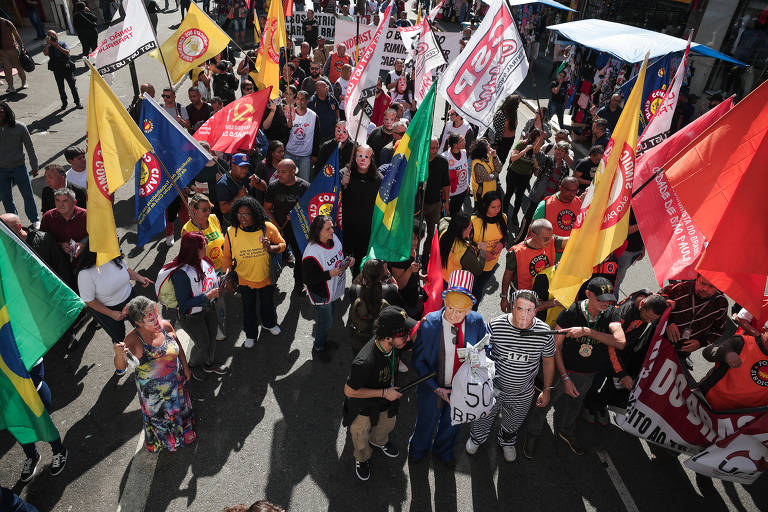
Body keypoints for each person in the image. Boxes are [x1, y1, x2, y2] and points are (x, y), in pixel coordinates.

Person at [524, 277, 625, 458]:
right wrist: (564, 377)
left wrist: (587, 331)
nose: (605, 303)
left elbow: (620, 342)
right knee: (545, 403)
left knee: (575, 404)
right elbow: (555, 347)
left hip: (587, 375)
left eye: (608, 299)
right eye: (600, 299)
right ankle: (533, 433)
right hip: (561, 372)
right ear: (588, 294)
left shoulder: (611, 313)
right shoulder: (572, 311)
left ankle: (566, 431)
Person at [409, 270, 488, 464]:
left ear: (469, 309)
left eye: (459, 311)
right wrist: (435, 388)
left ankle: (443, 451)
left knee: (453, 423)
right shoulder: (428, 324)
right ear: (444, 302)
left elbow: (485, 347)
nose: (452, 314)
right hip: (432, 387)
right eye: (450, 307)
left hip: (462, 389)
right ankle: (418, 450)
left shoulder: (477, 322)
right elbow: (418, 361)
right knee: (426, 421)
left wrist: (479, 367)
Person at [466, 290, 555, 462]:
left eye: (529, 310)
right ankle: (477, 437)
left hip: (522, 393)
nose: (524, 315)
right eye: (519, 308)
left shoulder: (544, 332)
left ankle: (506, 441)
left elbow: (549, 362)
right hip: (492, 389)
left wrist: (547, 389)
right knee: (483, 416)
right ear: (511, 308)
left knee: (513, 422)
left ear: (536, 310)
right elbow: (480, 352)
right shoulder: (495, 325)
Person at [342, 305, 416, 481]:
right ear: (388, 337)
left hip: (387, 400)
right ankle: (362, 458)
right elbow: (349, 391)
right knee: (360, 438)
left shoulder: (395, 345)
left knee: (387, 425)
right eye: (404, 334)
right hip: (363, 408)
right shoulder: (364, 362)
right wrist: (384, 393)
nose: (408, 337)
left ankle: (379, 441)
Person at [117, 297, 196, 452]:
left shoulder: (165, 325)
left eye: (154, 312)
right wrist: (119, 355)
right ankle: (169, 440)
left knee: (180, 408)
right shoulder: (133, 340)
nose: (155, 318)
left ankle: (184, 430)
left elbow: (176, 342)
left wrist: (185, 367)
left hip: (176, 383)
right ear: (138, 323)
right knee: (162, 418)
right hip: (155, 396)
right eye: (149, 317)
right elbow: (121, 367)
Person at [222, 197, 285, 348]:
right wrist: (227, 278)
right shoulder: (231, 232)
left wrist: (271, 248)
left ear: (255, 214)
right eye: (239, 214)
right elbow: (226, 257)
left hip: (265, 277)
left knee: (267, 303)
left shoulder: (267, 227)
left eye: (246, 214)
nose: (242, 218)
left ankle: (268, 324)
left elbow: (282, 245)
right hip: (244, 279)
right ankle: (250, 334)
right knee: (248, 307)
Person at [164, 232, 227, 380]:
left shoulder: (203, 260)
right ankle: (191, 366)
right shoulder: (181, 274)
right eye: (203, 246)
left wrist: (220, 280)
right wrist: (207, 296)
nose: (206, 248)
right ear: (194, 250)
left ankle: (208, 364)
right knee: (202, 344)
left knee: (212, 336)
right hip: (192, 316)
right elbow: (184, 304)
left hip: (208, 308)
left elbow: (208, 279)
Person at [78, 249, 152, 373]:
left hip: (131, 300)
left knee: (144, 328)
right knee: (119, 339)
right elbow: (89, 301)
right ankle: (124, 361)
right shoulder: (85, 274)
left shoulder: (114, 255)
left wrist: (139, 278)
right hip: (107, 310)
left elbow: (127, 271)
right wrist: (111, 314)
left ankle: (150, 352)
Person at [302, 215, 350, 360]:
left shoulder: (332, 239)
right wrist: (329, 274)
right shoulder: (311, 253)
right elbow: (308, 280)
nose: (332, 231)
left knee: (329, 317)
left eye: (332, 227)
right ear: (318, 232)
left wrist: (348, 260)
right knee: (325, 321)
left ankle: (323, 341)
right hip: (321, 293)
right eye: (328, 228)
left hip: (333, 289)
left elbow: (339, 255)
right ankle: (318, 347)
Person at [15, 361, 68, 482]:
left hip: (33, 390)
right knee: (19, 429)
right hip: (9, 399)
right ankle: (32, 456)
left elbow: (35, 361)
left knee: (43, 424)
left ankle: (58, 450)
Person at [263, 159, 310, 294]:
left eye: (283, 172)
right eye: (278, 171)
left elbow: (311, 209)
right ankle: (271, 282)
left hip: (298, 229)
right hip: (279, 229)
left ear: (293, 171)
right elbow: (266, 209)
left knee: (300, 256)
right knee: (273, 256)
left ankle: (299, 283)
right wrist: (276, 226)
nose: (279, 175)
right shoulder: (273, 187)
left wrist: (298, 215)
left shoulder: (305, 187)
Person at [501, 219, 565, 313]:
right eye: (546, 238)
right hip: (522, 298)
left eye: (551, 237)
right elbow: (507, 276)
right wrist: (504, 297)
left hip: (543, 296)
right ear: (534, 235)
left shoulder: (552, 241)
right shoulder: (516, 252)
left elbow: (571, 241)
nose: (549, 241)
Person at [699, 325, 768, 411]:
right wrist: (726, 353)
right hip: (709, 406)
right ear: (764, 330)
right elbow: (708, 352)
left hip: (747, 419)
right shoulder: (742, 342)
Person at [660, 274, 728, 356]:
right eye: (702, 283)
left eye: (712, 286)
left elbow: (718, 329)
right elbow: (655, 302)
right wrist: (667, 322)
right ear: (696, 279)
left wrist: (701, 343)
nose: (705, 289)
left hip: (682, 351)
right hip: (658, 339)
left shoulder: (721, 304)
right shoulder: (679, 288)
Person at [341, 145, 382, 276]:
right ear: (354, 157)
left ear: (371, 159)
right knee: (344, 258)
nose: (363, 159)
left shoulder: (378, 178)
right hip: (347, 226)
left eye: (366, 156)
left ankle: (357, 283)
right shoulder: (345, 173)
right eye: (360, 156)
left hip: (366, 227)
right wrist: (341, 184)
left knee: (361, 260)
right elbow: (332, 195)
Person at [0, 102, 39, 227]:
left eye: (0, 112)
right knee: (6, 198)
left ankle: (35, 219)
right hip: (1, 170)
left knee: (27, 195)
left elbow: (30, 147)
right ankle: (14, 222)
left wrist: (35, 166)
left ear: (6, 112)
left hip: (19, 168)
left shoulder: (20, 127)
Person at [470, 191, 506, 306]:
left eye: (499, 206)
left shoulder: (503, 217)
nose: (497, 210)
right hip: (474, 265)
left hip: (491, 265)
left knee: (478, 290)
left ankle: (472, 313)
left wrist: (502, 243)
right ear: (485, 205)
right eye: (493, 207)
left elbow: (505, 235)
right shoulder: (474, 221)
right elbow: (466, 242)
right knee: (468, 290)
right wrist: (483, 253)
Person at [532, 176, 580, 261]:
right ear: (560, 188)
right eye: (569, 190)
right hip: (548, 256)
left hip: (569, 256)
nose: (572, 194)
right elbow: (532, 231)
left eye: (575, 191)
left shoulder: (579, 203)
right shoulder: (545, 205)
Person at [40, 188, 87, 272]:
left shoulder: (87, 216)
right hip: (58, 266)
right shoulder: (48, 217)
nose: (60, 204)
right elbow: (42, 242)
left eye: (65, 201)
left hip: (84, 264)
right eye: (57, 200)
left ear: (74, 202)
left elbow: (99, 235)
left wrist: (84, 244)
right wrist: (60, 245)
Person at [421, 138, 450, 265]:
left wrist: (446, 201)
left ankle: (425, 257)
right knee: (416, 233)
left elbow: (446, 184)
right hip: (419, 205)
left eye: (436, 147)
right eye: (432, 148)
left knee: (432, 234)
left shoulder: (442, 162)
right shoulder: (419, 160)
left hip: (435, 204)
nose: (434, 150)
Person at [504, 128, 541, 224]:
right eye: (535, 140)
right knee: (508, 194)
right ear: (530, 137)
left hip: (525, 177)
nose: (536, 143)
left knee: (519, 197)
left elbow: (536, 171)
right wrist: (525, 150)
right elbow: (513, 158)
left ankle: (514, 215)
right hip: (513, 173)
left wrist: (535, 163)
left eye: (538, 141)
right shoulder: (521, 144)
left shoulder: (537, 151)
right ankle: (503, 214)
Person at [438, 212, 485, 283]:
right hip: (453, 283)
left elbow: (444, 219)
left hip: (439, 276)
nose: (471, 228)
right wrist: (483, 251)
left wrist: (455, 223)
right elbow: (477, 270)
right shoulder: (464, 252)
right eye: (470, 227)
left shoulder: (443, 231)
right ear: (462, 230)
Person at [285, 90, 319, 181]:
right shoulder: (289, 113)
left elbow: (317, 136)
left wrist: (315, 154)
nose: (300, 101)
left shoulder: (313, 116)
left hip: (305, 156)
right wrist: (287, 127)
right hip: (289, 154)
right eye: (298, 99)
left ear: (307, 101)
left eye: (302, 99)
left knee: (304, 183)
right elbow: (283, 134)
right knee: (288, 181)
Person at [43, 30, 81, 110]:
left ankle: (77, 102)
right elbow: (45, 53)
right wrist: (47, 44)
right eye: (50, 36)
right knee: (61, 88)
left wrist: (57, 46)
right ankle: (64, 103)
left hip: (66, 68)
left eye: (53, 35)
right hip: (56, 69)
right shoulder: (48, 46)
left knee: (72, 86)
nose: (52, 37)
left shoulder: (62, 43)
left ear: (57, 35)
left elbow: (67, 52)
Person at [443, 134, 469, 217]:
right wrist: (453, 174)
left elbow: (466, 170)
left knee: (456, 213)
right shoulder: (445, 157)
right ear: (455, 145)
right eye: (461, 141)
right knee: (448, 216)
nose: (464, 142)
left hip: (463, 190)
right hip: (451, 194)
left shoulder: (464, 152)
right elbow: (442, 177)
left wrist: (467, 184)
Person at [469, 138, 501, 205]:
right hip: (482, 194)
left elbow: (499, 167)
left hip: (491, 189)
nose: (489, 144)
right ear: (483, 149)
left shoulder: (490, 155)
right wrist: (496, 172)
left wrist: (495, 156)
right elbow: (488, 177)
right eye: (487, 144)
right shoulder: (477, 164)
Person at [308, 79, 339, 144]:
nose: (328, 87)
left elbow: (337, 109)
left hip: (332, 132)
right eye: (325, 87)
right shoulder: (312, 102)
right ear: (318, 90)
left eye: (327, 86)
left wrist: (338, 120)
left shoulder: (332, 97)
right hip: (320, 135)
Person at [491, 94, 520, 162]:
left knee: (501, 161)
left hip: (509, 141)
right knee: (494, 161)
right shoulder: (501, 114)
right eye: (517, 105)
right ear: (512, 105)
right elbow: (496, 132)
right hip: (500, 142)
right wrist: (495, 145)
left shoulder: (514, 113)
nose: (518, 107)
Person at [0, 17, 26, 92]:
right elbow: (16, 35)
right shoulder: (7, 22)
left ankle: (22, 83)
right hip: (3, 51)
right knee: (8, 69)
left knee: (17, 67)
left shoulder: (7, 23)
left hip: (12, 49)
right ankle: (11, 86)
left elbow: (16, 35)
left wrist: (22, 47)